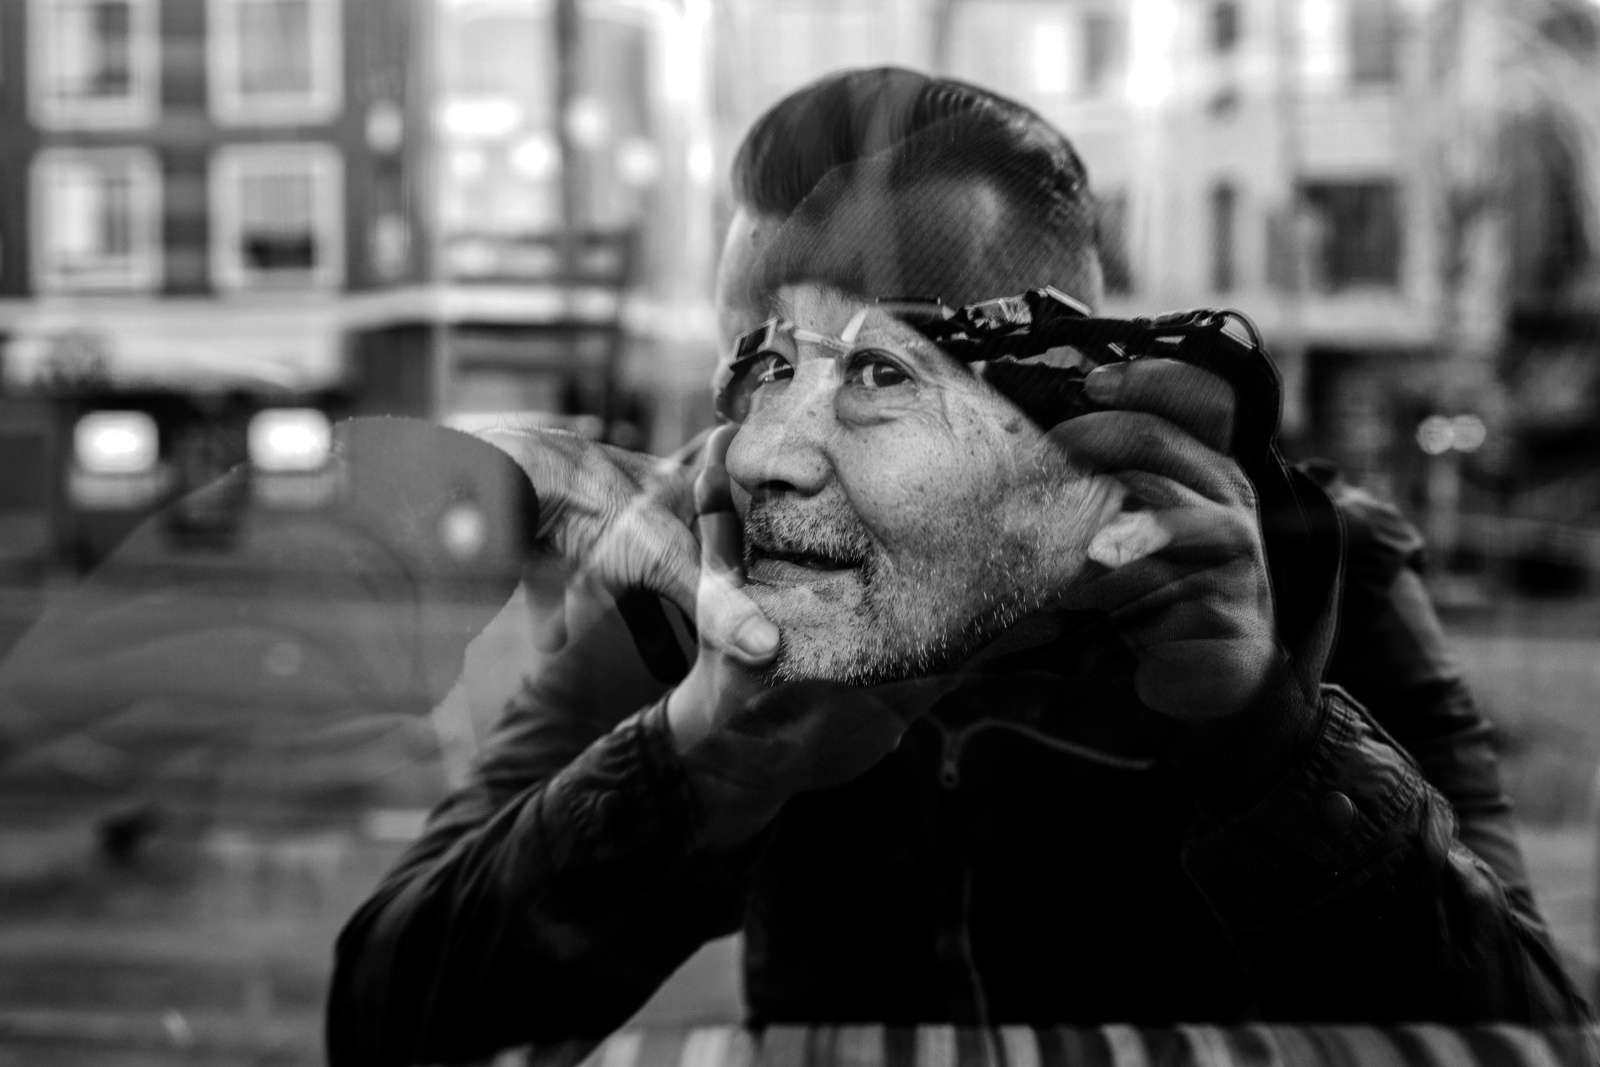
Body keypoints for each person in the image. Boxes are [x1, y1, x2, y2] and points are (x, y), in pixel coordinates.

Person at [324, 69, 1590, 1067]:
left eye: (894, 372)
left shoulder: (1300, 558)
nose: (790, 454)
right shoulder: (690, 565)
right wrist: (704, 754)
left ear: (1074, 374)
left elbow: (1530, 1035)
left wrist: (1270, 740)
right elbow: (392, 1011)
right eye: (760, 375)